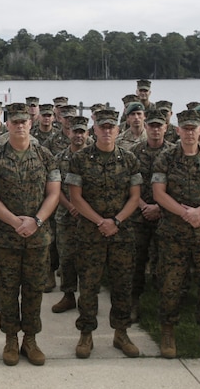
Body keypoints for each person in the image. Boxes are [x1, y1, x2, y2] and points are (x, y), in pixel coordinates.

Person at [0, 102, 60, 366]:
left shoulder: (46, 156)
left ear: (30, 123)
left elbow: (54, 192)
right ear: (8, 125)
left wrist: (36, 220)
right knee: (8, 290)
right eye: (14, 122)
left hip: (38, 236)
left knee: (34, 290)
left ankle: (31, 339)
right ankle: (11, 340)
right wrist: (15, 221)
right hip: (5, 236)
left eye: (24, 121)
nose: (20, 126)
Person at [151, 109, 200, 361]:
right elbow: (159, 194)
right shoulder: (166, 158)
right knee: (171, 282)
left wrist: (199, 211)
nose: (189, 132)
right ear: (177, 131)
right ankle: (167, 331)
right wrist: (186, 215)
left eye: (193, 128)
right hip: (174, 231)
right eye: (184, 128)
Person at [66, 109, 143, 359]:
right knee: (88, 285)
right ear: (94, 130)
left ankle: (121, 333)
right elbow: (75, 197)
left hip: (122, 233)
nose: (107, 131)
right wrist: (101, 221)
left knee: (122, 285)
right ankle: (86, 334)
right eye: (102, 127)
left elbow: (135, 196)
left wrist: (116, 221)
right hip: (91, 232)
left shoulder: (129, 159)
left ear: (117, 130)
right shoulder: (80, 159)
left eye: (111, 127)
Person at [127, 110, 171, 322]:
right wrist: (144, 206)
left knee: (166, 261)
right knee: (136, 261)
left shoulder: (174, 152)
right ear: (146, 126)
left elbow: (177, 188)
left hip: (167, 216)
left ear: (166, 128)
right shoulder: (134, 152)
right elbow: (129, 184)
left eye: (159, 126)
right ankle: (134, 302)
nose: (155, 129)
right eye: (151, 125)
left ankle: (166, 304)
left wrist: (159, 209)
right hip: (139, 214)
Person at [49, 116, 88, 314]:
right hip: (65, 216)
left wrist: (82, 208)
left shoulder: (93, 156)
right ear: (69, 133)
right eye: (75, 132)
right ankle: (68, 295)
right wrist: (70, 205)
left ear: (87, 133)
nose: (78, 136)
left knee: (89, 258)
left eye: (82, 132)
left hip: (89, 218)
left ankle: (88, 298)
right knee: (66, 258)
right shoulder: (59, 158)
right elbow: (55, 189)